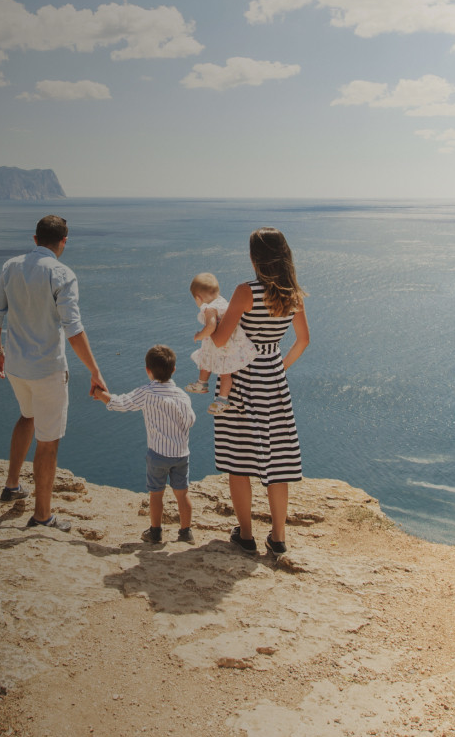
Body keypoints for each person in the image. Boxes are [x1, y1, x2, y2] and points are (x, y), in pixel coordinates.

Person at [0, 214, 107, 531]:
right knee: (48, 442)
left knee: (27, 416)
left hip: (15, 366)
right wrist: (95, 371)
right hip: (47, 370)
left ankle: (13, 484)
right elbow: (74, 329)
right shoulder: (62, 274)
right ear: (63, 242)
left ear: (35, 239)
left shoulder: (10, 266)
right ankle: (42, 516)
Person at [207, 228, 310, 558]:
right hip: (274, 381)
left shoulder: (244, 291)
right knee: (277, 460)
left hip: (243, 379)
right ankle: (278, 537)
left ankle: (247, 535)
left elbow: (221, 340)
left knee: (240, 460)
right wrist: (280, 367)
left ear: (255, 258)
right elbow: (303, 340)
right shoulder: (293, 294)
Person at [91, 344, 195, 545]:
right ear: (174, 369)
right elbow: (190, 420)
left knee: (156, 494)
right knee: (182, 494)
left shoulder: (147, 393)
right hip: (181, 454)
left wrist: (100, 394)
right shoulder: (183, 396)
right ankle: (186, 532)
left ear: (147, 370)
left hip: (157, 455)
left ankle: (155, 532)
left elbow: (120, 403)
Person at [185, 271, 257, 415]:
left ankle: (202, 384)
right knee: (225, 374)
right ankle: (222, 400)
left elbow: (211, 326)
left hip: (218, 346)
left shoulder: (208, 308)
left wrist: (199, 335)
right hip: (229, 346)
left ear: (198, 298)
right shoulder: (223, 302)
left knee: (205, 361)